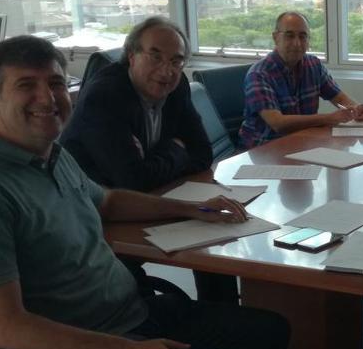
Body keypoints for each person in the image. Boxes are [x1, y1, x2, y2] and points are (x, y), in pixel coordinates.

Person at [0, 35, 289, 349]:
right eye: (26, 85)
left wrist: (188, 207)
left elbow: (107, 202)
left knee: (269, 332)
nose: (47, 97)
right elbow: (8, 328)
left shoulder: (51, 155)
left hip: (128, 316)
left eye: (56, 84)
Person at [61, 16, 237, 303]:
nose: (166, 71)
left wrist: (155, 160)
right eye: (155, 57)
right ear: (131, 56)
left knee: (212, 229)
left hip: (147, 197)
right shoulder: (105, 96)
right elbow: (133, 180)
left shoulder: (176, 86)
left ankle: (225, 320)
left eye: (176, 61)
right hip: (96, 216)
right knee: (204, 224)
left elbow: (203, 154)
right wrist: (177, 149)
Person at [239, 11, 363, 149]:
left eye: (303, 36)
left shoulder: (313, 65)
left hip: (302, 144)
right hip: (263, 150)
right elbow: (278, 123)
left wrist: (356, 109)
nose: (297, 43)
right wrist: (330, 118)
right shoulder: (259, 74)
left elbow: (339, 98)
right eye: (290, 36)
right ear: (275, 37)